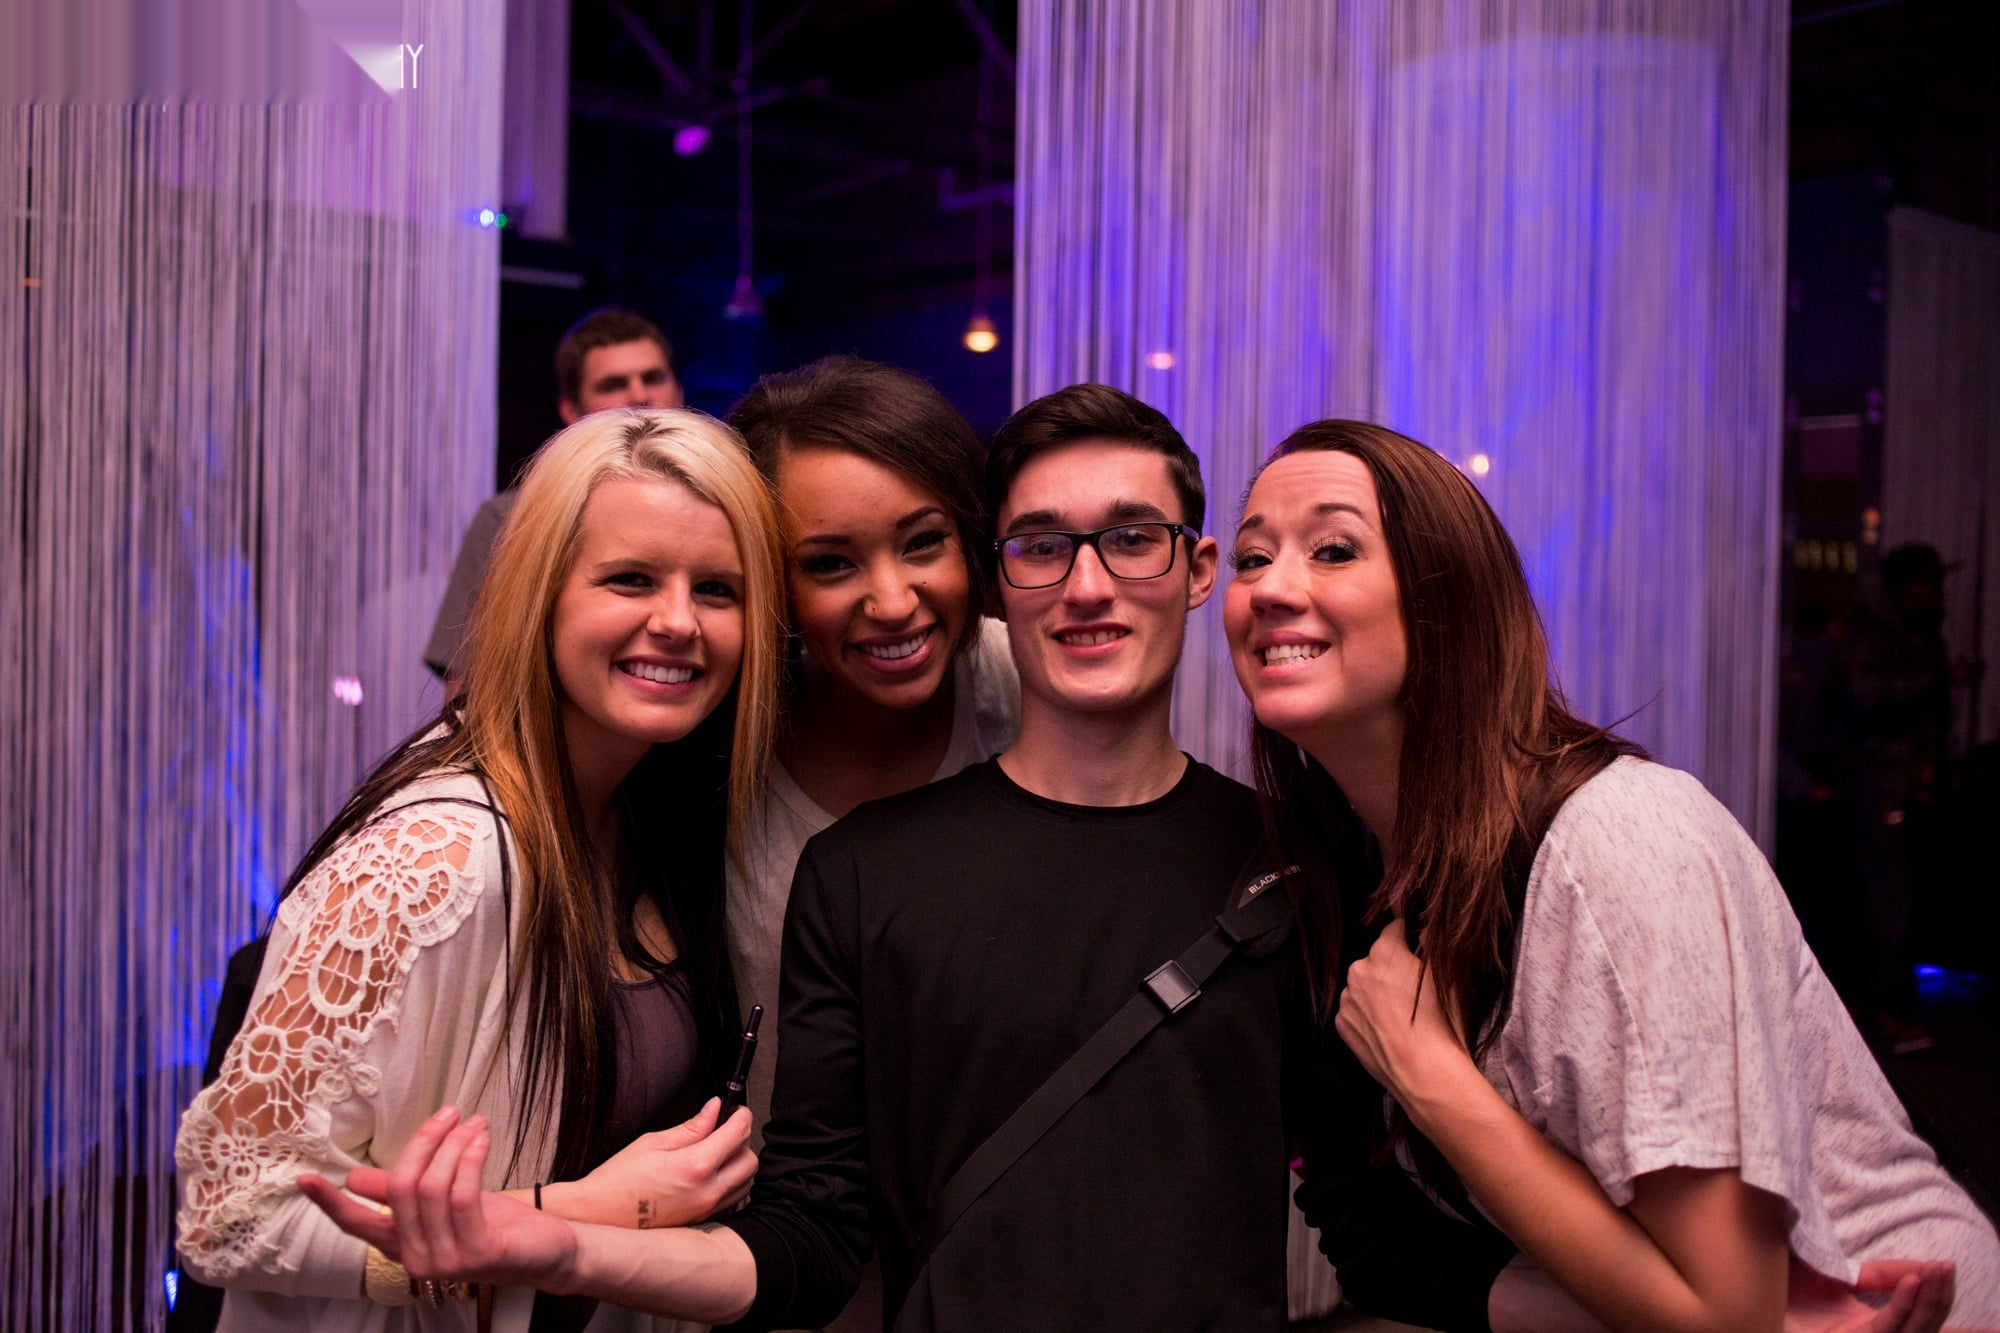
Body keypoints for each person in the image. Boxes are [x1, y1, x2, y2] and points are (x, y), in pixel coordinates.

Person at [300, 384, 1469, 1329]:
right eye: (1041, 546)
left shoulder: (1292, 864)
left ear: (1197, 568)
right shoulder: (852, 863)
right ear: (1003, 576)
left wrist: (1577, 1290)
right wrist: (560, 1238)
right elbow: (810, 1233)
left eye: (1130, 539)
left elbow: (1368, 1222)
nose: (1087, 583)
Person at [1224, 418, 2000, 1330]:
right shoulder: (1352, 875)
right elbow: (1380, 1242)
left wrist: (1429, 1072)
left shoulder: (1619, 846)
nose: (1269, 587)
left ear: (1449, 600)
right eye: (1251, 558)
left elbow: (1726, 1318)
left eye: (1332, 549)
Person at [176, 408, 784, 1332]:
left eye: (717, 589)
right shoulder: (435, 857)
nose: (677, 620)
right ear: (542, 594)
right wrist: (586, 1211)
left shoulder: (644, 814)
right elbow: (226, 1213)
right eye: (630, 578)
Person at [425, 308, 685, 681]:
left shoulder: (724, 507)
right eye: (613, 385)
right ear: (571, 410)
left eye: (653, 378)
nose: (639, 395)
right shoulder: (511, 519)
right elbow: (468, 684)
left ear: (679, 391)